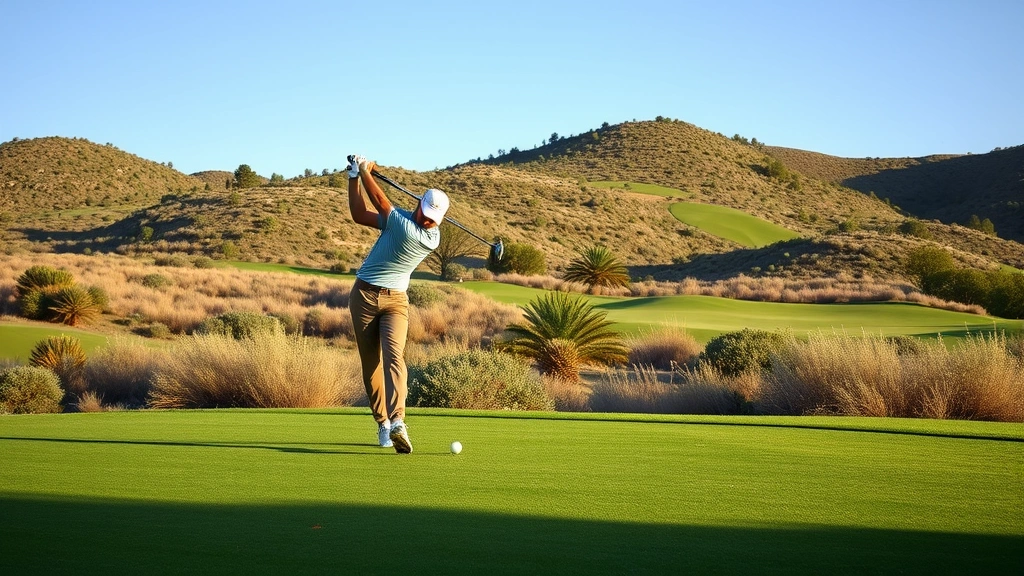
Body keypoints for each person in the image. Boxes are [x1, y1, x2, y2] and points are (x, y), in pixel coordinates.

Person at [345, 155, 449, 454]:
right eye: (427, 213)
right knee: (371, 365)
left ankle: (398, 422)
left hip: (395, 302)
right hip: (363, 296)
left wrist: (365, 171)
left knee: (395, 358)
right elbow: (360, 214)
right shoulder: (400, 221)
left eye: (434, 219)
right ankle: (382, 424)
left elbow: (379, 200)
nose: (429, 221)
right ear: (419, 205)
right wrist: (355, 177)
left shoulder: (422, 235)